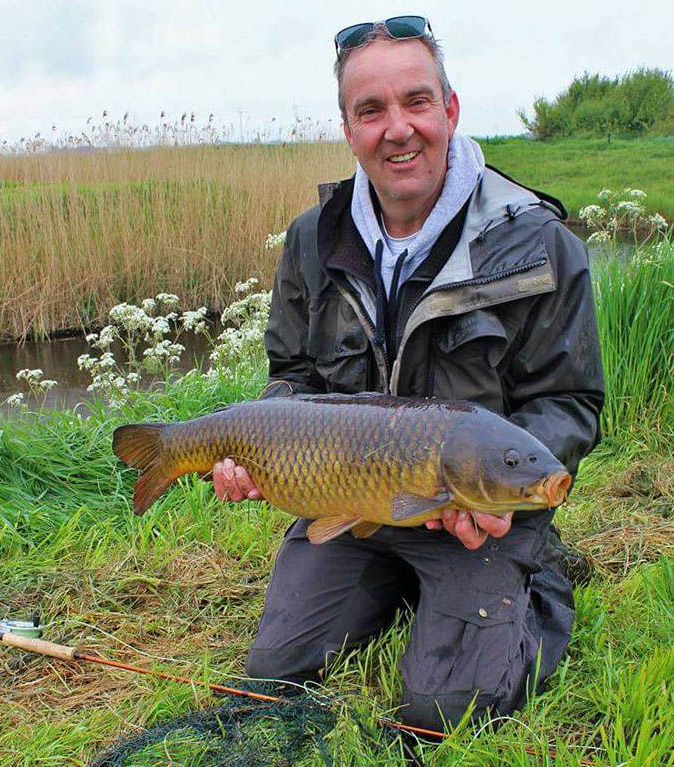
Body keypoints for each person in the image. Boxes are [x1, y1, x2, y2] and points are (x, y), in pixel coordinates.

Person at [212, 16, 604, 728]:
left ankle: (537, 576)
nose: (398, 129)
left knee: (440, 709)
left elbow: (568, 401)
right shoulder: (313, 238)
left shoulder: (537, 244)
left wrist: (500, 498)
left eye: (416, 101)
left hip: (473, 507)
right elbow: (292, 375)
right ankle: (403, 584)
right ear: (349, 129)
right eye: (371, 110)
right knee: (275, 672)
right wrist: (259, 446)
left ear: (449, 109)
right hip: (354, 498)